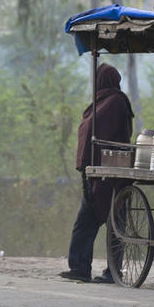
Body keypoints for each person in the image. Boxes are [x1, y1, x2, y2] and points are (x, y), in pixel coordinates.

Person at [59, 63, 134, 283]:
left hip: (111, 171)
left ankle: (110, 271)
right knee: (90, 221)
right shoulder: (104, 101)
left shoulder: (115, 102)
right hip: (97, 172)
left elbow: (103, 132)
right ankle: (81, 267)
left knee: (112, 220)